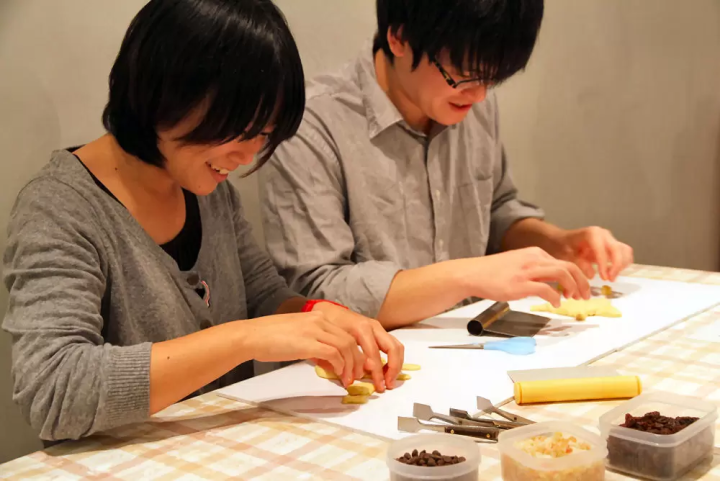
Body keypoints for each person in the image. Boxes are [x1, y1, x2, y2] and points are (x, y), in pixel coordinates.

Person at [2, 0, 403, 443]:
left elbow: (262, 295)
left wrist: (318, 317)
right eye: (240, 130)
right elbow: (53, 392)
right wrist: (245, 339)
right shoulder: (59, 208)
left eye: (264, 134)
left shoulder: (207, 188)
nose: (249, 156)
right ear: (166, 93)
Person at [260, 0, 633, 327]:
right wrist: (464, 277)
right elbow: (314, 290)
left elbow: (496, 211)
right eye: (464, 75)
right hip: (361, 366)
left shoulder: (471, 100)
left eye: (494, 78)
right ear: (399, 38)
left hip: (471, 342)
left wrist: (559, 243)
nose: (480, 95)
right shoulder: (311, 124)